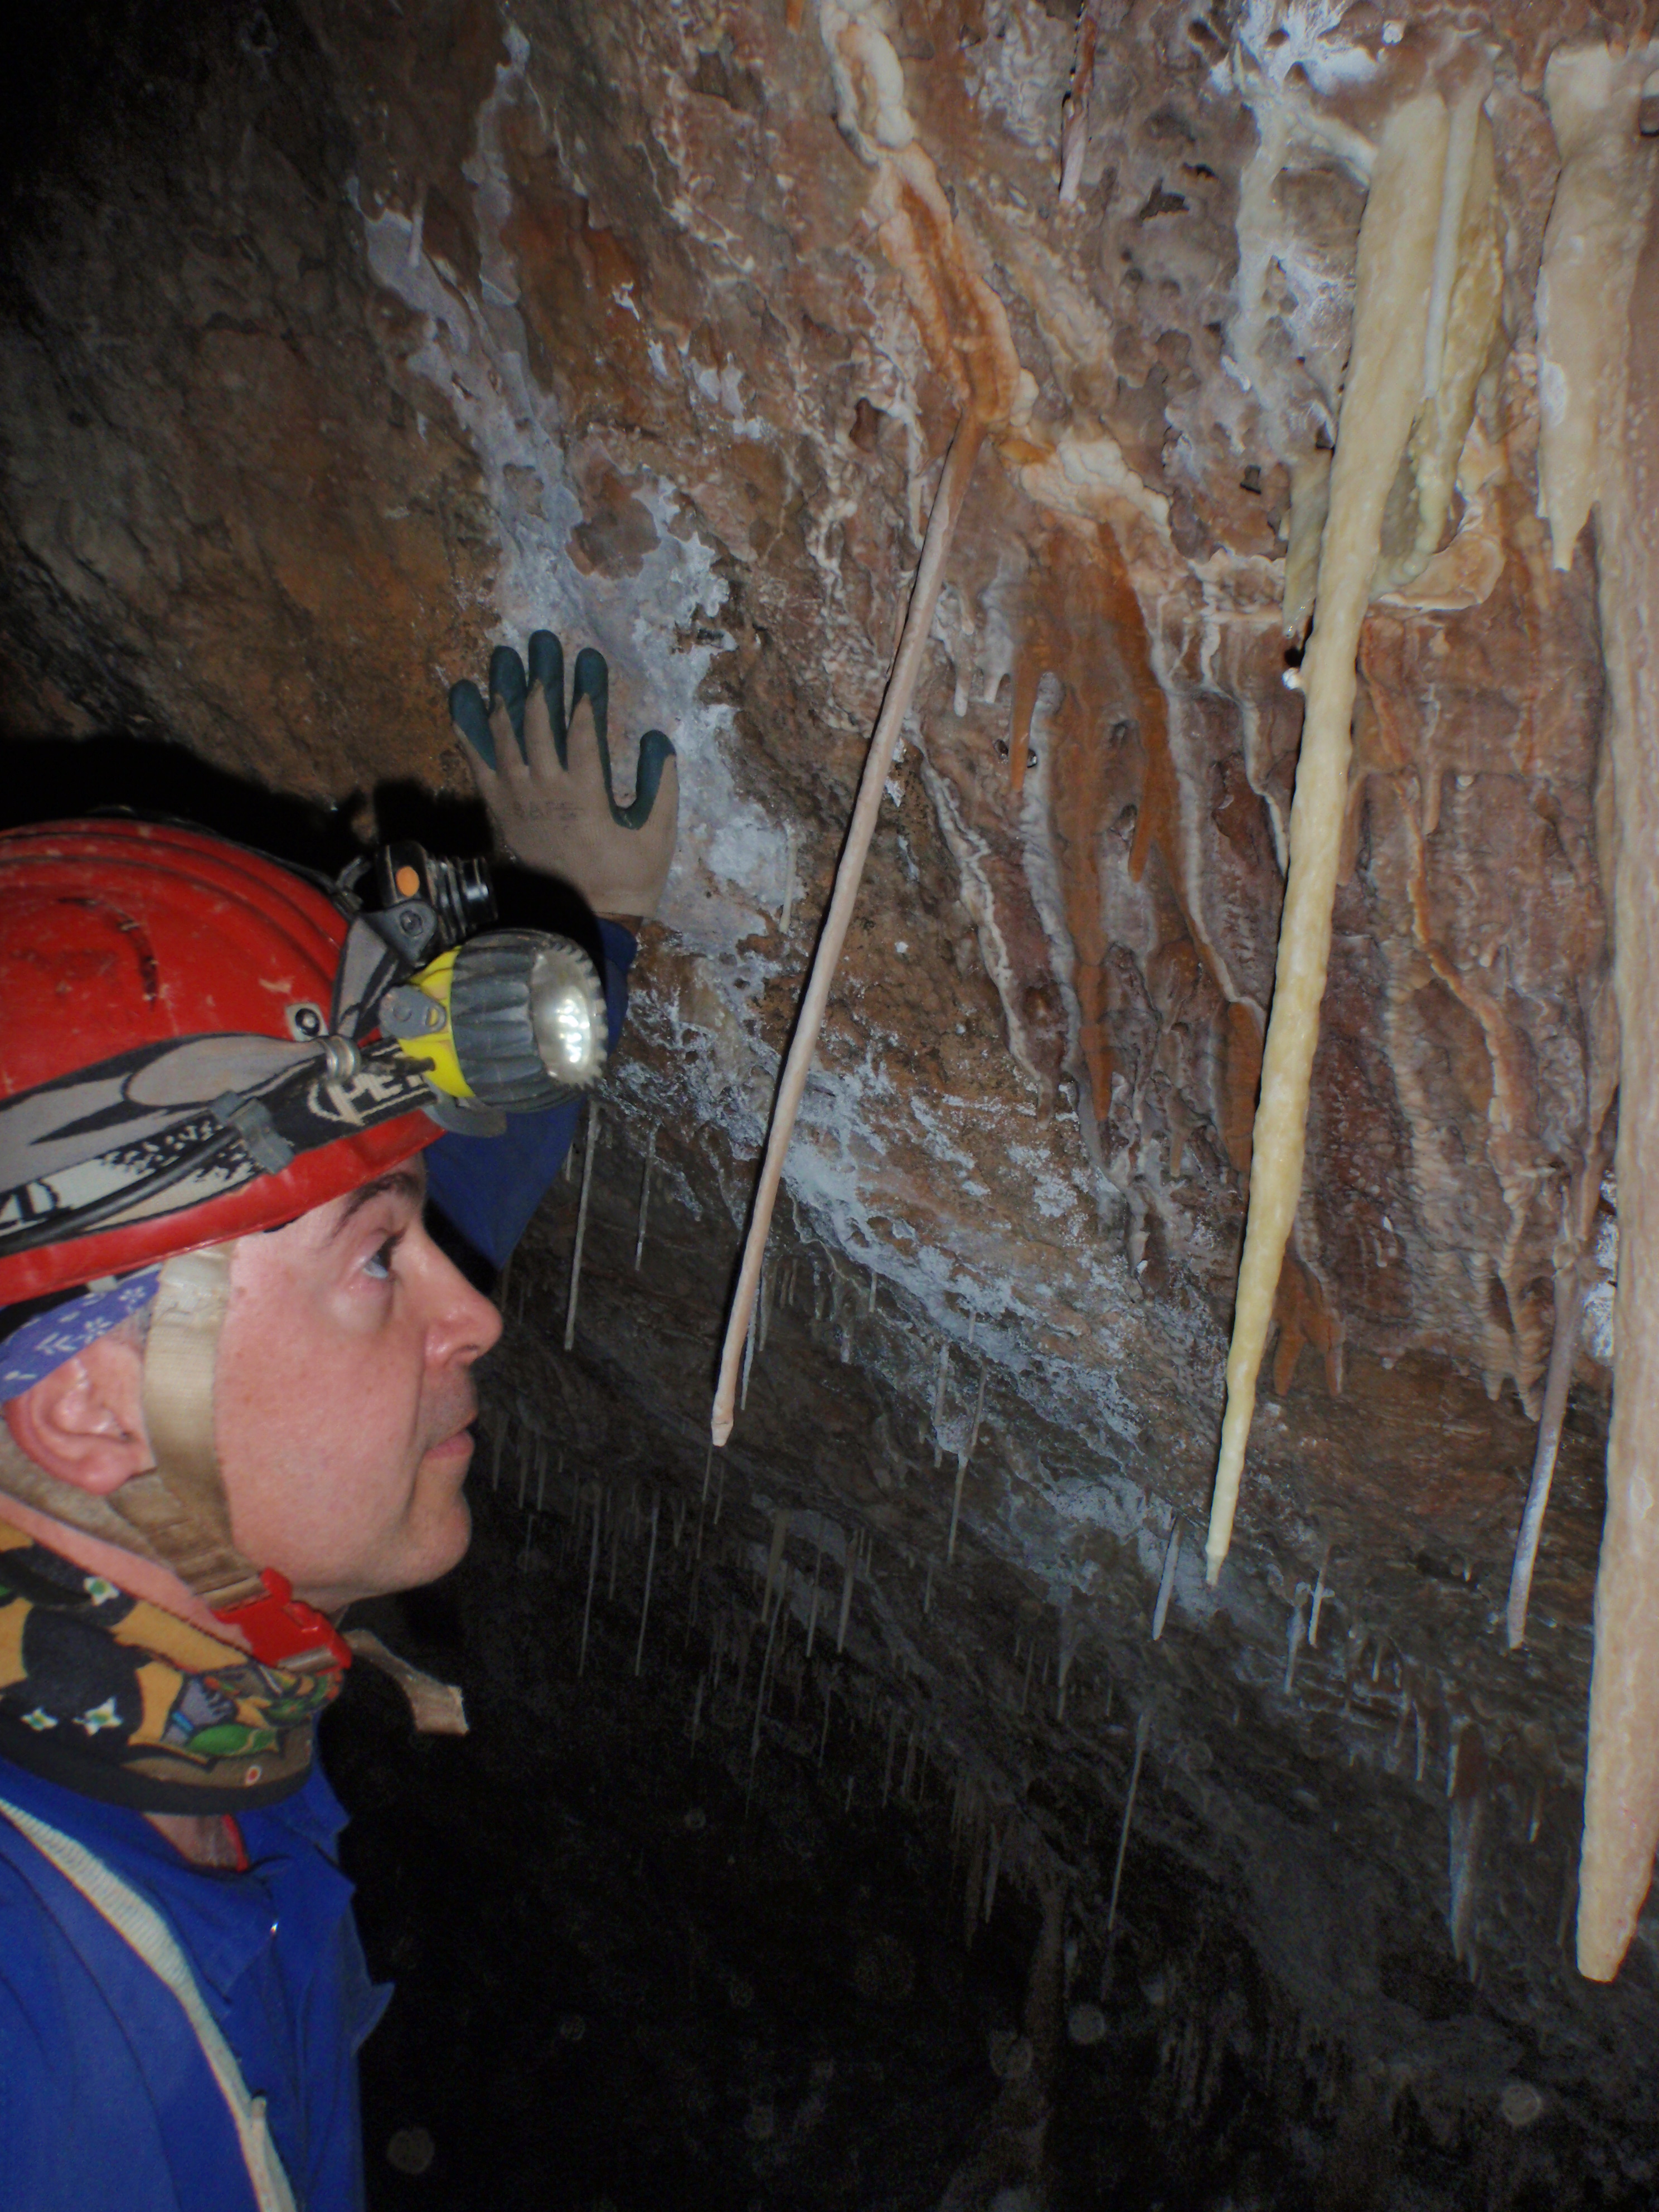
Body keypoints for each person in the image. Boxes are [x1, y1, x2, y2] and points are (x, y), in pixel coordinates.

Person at [0, 633, 677, 2210]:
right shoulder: (45, 2063)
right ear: (91, 1411)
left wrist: (588, 918)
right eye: (384, 1259)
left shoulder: (178, 1687)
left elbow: (326, 1280)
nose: (475, 1315)